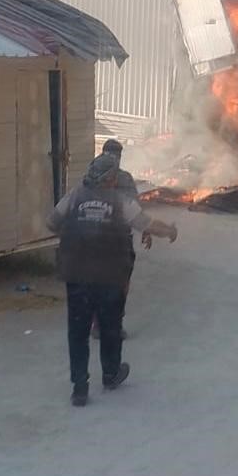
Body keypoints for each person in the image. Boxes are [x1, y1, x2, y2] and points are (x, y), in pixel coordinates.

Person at [47, 153, 177, 407]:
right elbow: (146, 224)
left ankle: (80, 388)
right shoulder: (119, 201)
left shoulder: (74, 196)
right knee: (110, 327)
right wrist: (170, 230)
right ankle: (110, 374)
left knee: (78, 332)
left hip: (77, 275)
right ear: (109, 179)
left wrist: (76, 231)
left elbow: (51, 223)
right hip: (109, 276)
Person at [93, 139, 148, 342]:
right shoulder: (123, 178)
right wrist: (146, 229)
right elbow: (135, 208)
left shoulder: (91, 175)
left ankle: (98, 323)